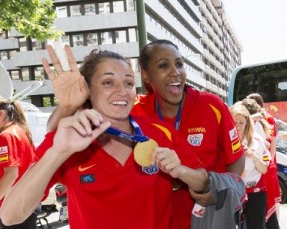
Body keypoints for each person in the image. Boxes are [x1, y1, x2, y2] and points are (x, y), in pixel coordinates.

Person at [44, 39, 245, 228]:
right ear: (146, 76)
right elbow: (56, 132)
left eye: (180, 64)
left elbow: (235, 158)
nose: (175, 72)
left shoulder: (211, 105)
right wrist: (67, 105)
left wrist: (222, 193)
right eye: (164, 66)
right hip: (160, 217)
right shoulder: (133, 108)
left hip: (205, 216)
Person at [0, 48, 209, 229]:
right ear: (88, 91)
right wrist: (58, 152)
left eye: (128, 83)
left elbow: (203, 182)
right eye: (108, 82)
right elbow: (10, 216)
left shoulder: (159, 131)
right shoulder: (68, 137)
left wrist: (180, 170)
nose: (122, 92)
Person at [0, 94, 37, 229]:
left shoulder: (6, 135)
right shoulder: (19, 130)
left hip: (14, 207)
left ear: (0, 114)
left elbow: (11, 175)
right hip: (25, 204)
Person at [230, 103, 270, 229]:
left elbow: (264, 169)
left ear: (247, 121)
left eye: (241, 122)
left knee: (256, 226)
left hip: (255, 191)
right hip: (233, 191)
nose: (237, 126)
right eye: (234, 122)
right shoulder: (224, 139)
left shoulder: (257, 140)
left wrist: (252, 155)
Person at [246, 93, 281, 229]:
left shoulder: (261, 120)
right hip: (265, 166)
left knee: (265, 208)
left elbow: (270, 144)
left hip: (262, 168)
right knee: (268, 207)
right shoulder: (256, 120)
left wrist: (267, 162)